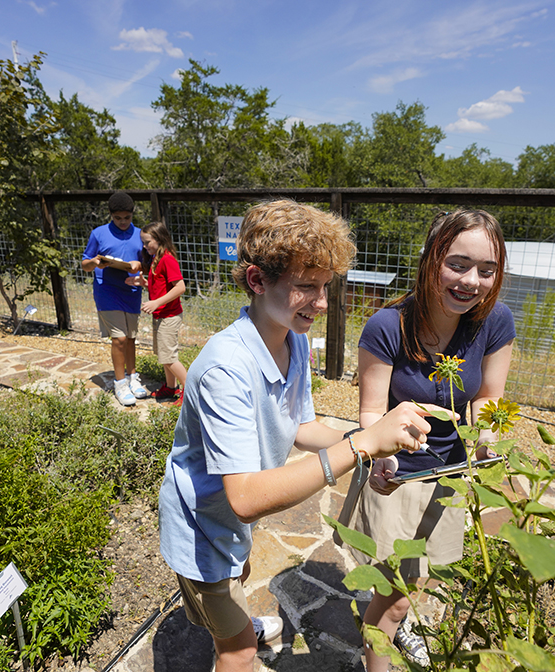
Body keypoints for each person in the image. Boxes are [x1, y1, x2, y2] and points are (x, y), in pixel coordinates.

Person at [158, 199, 443, 672]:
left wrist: (371, 435)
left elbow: (299, 426)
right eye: (306, 287)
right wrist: (360, 446)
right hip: (201, 528)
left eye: (326, 286)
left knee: (241, 577)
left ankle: (235, 619)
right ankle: (236, 634)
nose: (323, 303)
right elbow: (246, 497)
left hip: (229, 528)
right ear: (256, 280)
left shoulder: (292, 339)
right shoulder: (225, 368)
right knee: (240, 651)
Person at [352, 209, 515, 671]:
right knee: (392, 596)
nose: (472, 281)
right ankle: (377, 657)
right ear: (431, 260)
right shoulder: (388, 325)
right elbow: (370, 412)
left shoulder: (494, 321)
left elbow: (488, 397)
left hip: (451, 473)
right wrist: (380, 459)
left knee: (419, 576)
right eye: (458, 264)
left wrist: (488, 440)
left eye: (487, 270)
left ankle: (395, 626)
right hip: (397, 474)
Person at [81, 191, 149, 406]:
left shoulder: (140, 234)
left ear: (132, 215)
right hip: (106, 291)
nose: (122, 222)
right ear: (110, 215)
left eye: (126, 218)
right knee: (118, 338)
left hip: (131, 291)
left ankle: (132, 377)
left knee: (130, 338)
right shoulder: (98, 233)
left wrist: (140, 267)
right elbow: (84, 264)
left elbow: (149, 263)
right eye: (117, 218)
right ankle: (119, 383)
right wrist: (95, 263)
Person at [139, 220, 187, 405]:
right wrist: (143, 284)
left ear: (159, 239)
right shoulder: (156, 259)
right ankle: (171, 386)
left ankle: (189, 389)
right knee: (164, 354)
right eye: (143, 242)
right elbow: (161, 285)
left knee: (169, 356)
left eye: (147, 242)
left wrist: (156, 302)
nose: (144, 246)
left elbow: (180, 287)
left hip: (169, 315)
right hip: (161, 315)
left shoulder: (167, 259)